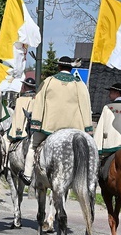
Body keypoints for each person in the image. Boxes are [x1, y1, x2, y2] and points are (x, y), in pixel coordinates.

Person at [19, 56, 93, 184]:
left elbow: (39, 103)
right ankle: (89, 179)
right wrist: (88, 129)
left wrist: (36, 124)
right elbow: (85, 106)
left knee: (32, 145)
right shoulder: (79, 84)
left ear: (59, 67)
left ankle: (27, 175)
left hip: (49, 127)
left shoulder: (48, 81)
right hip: (73, 129)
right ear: (71, 68)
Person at [8, 77, 36, 142]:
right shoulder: (37, 98)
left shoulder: (19, 100)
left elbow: (17, 117)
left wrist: (18, 131)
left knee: (5, 140)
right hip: (35, 130)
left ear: (24, 87)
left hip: (23, 131)